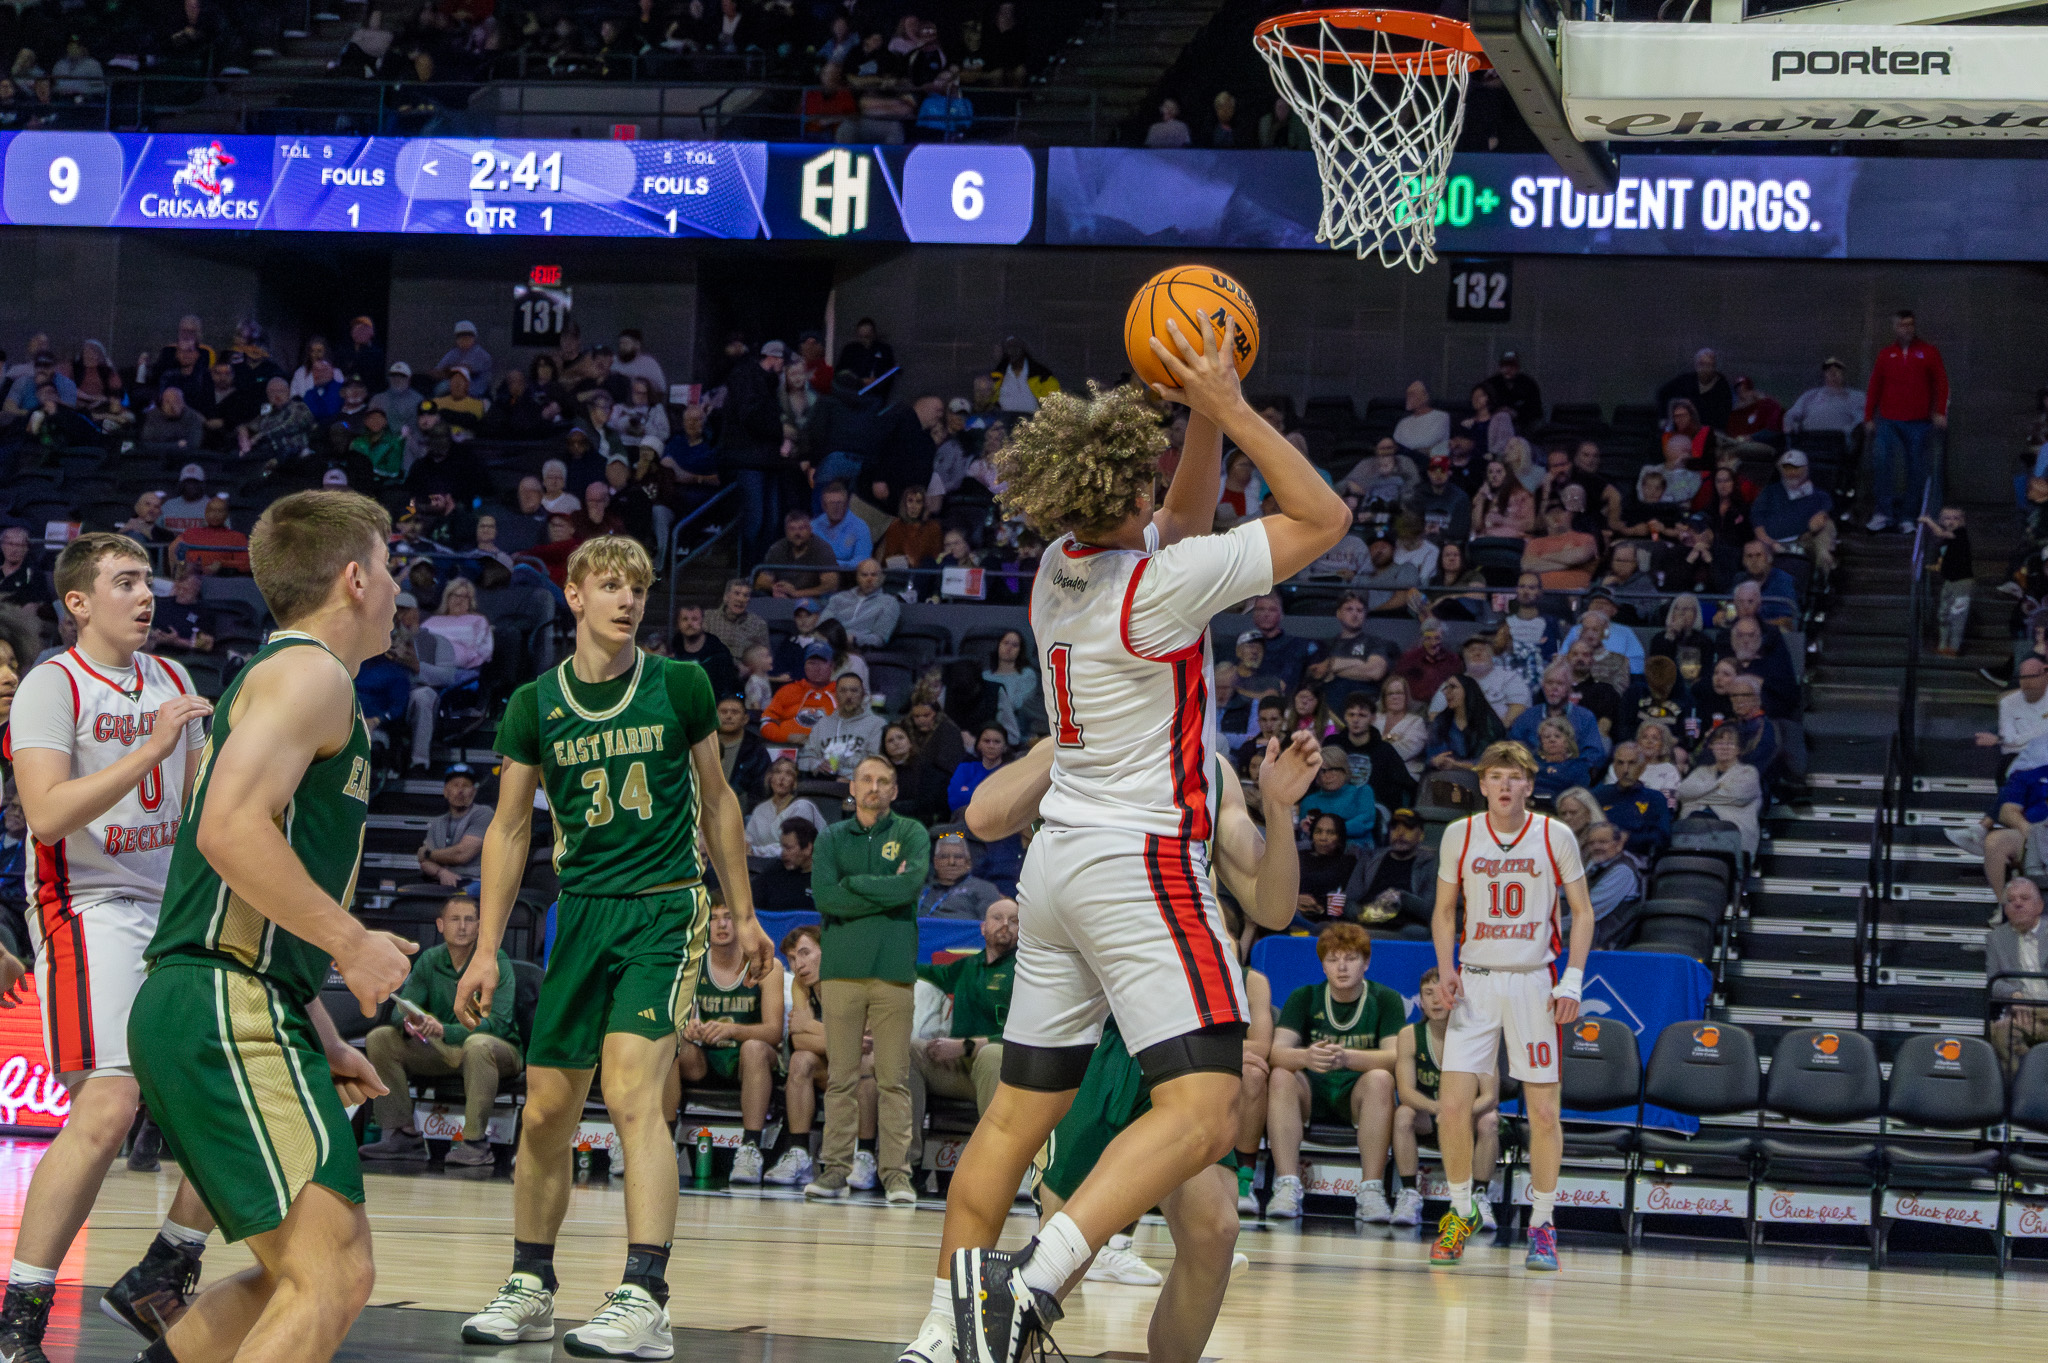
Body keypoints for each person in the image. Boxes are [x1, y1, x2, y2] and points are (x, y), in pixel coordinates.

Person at [902, 315, 1349, 1363]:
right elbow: (1321, 515)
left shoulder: (1061, 564)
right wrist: (1232, 409)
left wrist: (1195, 415)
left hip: (1057, 864)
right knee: (1205, 1109)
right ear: (1131, 492)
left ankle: (939, 1336)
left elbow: (1184, 514)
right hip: (1139, 863)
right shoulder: (1158, 594)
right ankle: (1032, 1283)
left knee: (1013, 1120)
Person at [455, 535, 771, 1358]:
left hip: (664, 909)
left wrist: (745, 907)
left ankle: (646, 1294)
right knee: (547, 1113)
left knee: (634, 1092)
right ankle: (530, 1283)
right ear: (574, 595)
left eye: (638, 586)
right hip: (582, 913)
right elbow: (511, 827)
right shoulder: (535, 702)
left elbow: (719, 801)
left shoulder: (681, 683)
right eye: (610, 585)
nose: (627, 599)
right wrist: (487, 947)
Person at [130, 492, 410, 1363]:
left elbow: (254, 886)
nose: (401, 589)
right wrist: (353, 943)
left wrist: (321, 1027)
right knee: (329, 1275)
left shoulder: (298, 679)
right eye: (392, 567)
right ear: (357, 578)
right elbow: (227, 829)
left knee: (326, 1268)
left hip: (237, 998)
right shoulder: (309, 673)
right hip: (223, 1002)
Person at [958, 730, 1315, 1363]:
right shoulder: (1079, 733)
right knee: (1068, 1246)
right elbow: (983, 815)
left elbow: (1273, 904)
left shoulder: (1212, 769)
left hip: (1181, 1028)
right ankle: (980, 1339)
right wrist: (1054, 756)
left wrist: (1280, 812)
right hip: (1095, 1030)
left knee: (1214, 1231)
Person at [4, 534, 216, 1359]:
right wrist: (151, 748)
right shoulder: (51, 685)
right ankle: (21, 1310)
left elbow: (201, 815)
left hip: (173, 904)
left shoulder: (174, 679)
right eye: (125, 581)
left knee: (246, 1094)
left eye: (149, 580)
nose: (146, 594)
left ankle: (165, 1265)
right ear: (78, 603)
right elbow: (48, 813)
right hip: (87, 900)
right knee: (108, 1101)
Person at [1429, 741, 1595, 1272]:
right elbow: (1443, 912)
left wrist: (1571, 980)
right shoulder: (1460, 833)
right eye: (1495, 776)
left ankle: (1543, 1225)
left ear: (1529, 784)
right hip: (1475, 981)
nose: (1504, 785)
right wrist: (1447, 967)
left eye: (1514, 776)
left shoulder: (1555, 834)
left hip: (1533, 981)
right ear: (1481, 784)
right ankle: (1460, 1211)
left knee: (1544, 1112)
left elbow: (1583, 913)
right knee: (1452, 1107)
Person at [806, 755, 928, 1204]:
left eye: (884, 781)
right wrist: (882, 889)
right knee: (840, 1077)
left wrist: (853, 884)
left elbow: (908, 888)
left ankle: (896, 1173)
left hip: (894, 973)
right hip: (840, 973)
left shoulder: (912, 833)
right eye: (866, 780)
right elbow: (825, 896)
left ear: (894, 790)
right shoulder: (830, 837)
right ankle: (835, 1169)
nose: (874, 787)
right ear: (851, 787)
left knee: (893, 1078)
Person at [359, 895, 523, 1168]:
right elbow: (402, 1009)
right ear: (440, 925)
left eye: (469, 920)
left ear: (480, 927)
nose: (462, 927)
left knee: (478, 1045)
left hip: (496, 1051)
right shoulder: (429, 960)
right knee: (381, 1038)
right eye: (454, 919)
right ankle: (402, 1135)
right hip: (443, 1050)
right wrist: (408, 1022)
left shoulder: (496, 961)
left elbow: (500, 1024)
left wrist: (444, 1030)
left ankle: (475, 1143)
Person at [1263, 922, 1407, 1222]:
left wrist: (1347, 1057)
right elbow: (1276, 1052)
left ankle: (1371, 1189)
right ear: (1323, 965)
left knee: (1382, 1078)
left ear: (1366, 963)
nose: (1342, 967)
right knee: (1279, 1075)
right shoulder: (1304, 996)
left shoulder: (1386, 999)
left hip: (1356, 1094)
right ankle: (1287, 1184)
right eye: (1332, 959)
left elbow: (1396, 1057)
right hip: (1311, 1092)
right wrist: (1305, 1055)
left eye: (1351, 958)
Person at [675, 900, 786, 1184]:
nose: (722, 924)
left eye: (729, 917)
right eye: (714, 918)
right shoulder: (691, 964)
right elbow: (678, 1017)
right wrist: (688, 1028)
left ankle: (750, 1148)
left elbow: (774, 1032)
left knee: (754, 1048)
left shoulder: (767, 965)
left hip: (748, 1060)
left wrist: (732, 1031)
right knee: (669, 1042)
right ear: (703, 925)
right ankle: (662, 1139)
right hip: (704, 1059)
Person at [908, 897, 1017, 1162]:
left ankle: (996, 1165)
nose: (1005, 925)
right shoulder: (968, 967)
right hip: (959, 1071)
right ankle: (902, 1164)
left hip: (1004, 1073)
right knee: (908, 1048)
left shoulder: (1027, 970)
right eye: (997, 918)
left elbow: (1024, 1037)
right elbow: (920, 971)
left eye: (1014, 921)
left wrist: (964, 1045)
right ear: (982, 928)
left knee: (992, 1054)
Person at [1391, 966, 1499, 1230]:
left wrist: (1456, 1113)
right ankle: (1408, 1194)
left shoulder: (1478, 1035)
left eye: (1442, 993)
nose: (1436, 1000)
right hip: (1430, 1117)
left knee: (1490, 1120)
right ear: (1420, 1000)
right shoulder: (1409, 1036)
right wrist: (1439, 1108)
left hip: (1467, 1120)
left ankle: (1479, 1196)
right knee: (1403, 1113)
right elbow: (1405, 1091)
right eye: (1428, 993)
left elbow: (1490, 1096)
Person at [1863, 309, 1949, 533]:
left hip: (1919, 421)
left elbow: (1941, 383)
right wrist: (1868, 416)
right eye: (1902, 325)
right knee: (1882, 462)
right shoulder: (1886, 354)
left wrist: (1940, 412)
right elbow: (1875, 385)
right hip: (1889, 419)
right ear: (1895, 327)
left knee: (1916, 469)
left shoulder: (1928, 352)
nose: (1907, 329)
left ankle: (1909, 516)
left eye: (1910, 324)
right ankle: (1883, 512)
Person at [1340, 807, 1438, 934]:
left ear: (1421, 835)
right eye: (1394, 827)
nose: (1400, 833)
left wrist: (1402, 899)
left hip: (1404, 926)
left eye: (1408, 828)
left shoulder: (1431, 864)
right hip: (1365, 923)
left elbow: (1432, 911)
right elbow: (1349, 898)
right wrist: (1359, 914)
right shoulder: (1369, 858)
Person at [1987, 876, 2048, 1076]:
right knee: (2001, 1031)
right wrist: (2016, 997)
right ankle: (2020, 1094)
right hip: (2022, 1014)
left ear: (2039, 906)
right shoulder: (1997, 938)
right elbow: (1994, 983)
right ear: (2005, 909)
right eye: (2011, 901)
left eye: (2024, 898)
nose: (2018, 904)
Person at [1676, 724, 1765, 858]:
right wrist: (1719, 786)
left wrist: (1699, 797)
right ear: (1711, 746)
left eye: (1730, 744)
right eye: (1719, 743)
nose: (1724, 747)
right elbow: (1682, 792)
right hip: (1693, 829)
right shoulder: (1701, 771)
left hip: (1731, 832)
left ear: (1739, 749)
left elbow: (1735, 797)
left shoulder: (1748, 772)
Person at [1750, 449, 1837, 574]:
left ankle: (1823, 573)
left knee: (1828, 526)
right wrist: (1770, 543)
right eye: (1787, 468)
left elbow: (1822, 518)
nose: (1791, 472)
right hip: (1771, 543)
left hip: (1804, 542)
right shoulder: (1769, 492)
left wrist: (1813, 527)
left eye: (1796, 468)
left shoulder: (1820, 496)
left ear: (1805, 469)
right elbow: (1757, 521)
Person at [417, 761, 492, 887]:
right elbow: (424, 862)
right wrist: (441, 872)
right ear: (446, 791)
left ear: (473, 792)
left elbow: (462, 854)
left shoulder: (484, 814)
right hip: (444, 881)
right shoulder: (437, 823)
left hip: (477, 883)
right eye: (455, 785)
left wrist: (428, 853)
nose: (460, 791)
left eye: (466, 786)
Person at [1594, 742, 1673, 859]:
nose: (1625, 770)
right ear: (1614, 767)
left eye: (1632, 763)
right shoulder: (1599, 795)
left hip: (1636, 859)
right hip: (1597, 856)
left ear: (1642, 767)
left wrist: (1628, 838)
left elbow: (1662, 837)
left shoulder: (1655, 798)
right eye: (1620, 763)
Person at [799, 672, 886, 777]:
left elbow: (877, 763)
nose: (848, 696)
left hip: (860, 784)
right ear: (836, 695)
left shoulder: (877, 724)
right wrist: (816, 765)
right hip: (825, 783)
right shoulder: (822, 724)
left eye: (854, 691)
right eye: (843, 691)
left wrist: (851, 778)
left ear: (863, 695)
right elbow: (805, 758)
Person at [1577, 821, 1646, 951]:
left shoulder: (1622, 871)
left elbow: (1587, 910)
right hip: (1586, 937)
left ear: (1618, 844)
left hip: (1605, 945)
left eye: (1603, 842)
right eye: (1592, 843)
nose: (1596, 847)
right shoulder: (1594, 864)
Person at [1920, 503, 1974, 656]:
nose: (1951, 522)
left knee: (1957, 616)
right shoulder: (1948, 544)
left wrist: (1928, 521)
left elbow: (1940, 533)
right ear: (1942, 520)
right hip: (1950, 581)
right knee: (1943, 613)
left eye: (1956, 518)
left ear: (1962, 521)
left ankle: (1953, 647)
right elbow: (1947, 560)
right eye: (1947, 518)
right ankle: (1943, 644)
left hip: (1962, 582)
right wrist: (1932, 567)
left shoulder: (1960, 533)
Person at [916, 832, 1001, 919]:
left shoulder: (984, 889)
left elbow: (993, 926)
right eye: (944, 857)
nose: (951, 862)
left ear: (968, 863)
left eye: (958, 857)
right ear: (935, 863)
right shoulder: (920, 890)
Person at [1785, 357, 1865, 440]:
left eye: (1837, 371)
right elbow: (1792, 414)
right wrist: (1790, 426)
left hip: (1839, 441)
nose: (1833, 374)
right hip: (1809, 441)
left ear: (1844, 374)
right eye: (1829, 371)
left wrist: (1848, 432)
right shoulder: (1810, 395)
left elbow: (1861, 419)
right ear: (1824, 375)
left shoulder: (1856, 396)